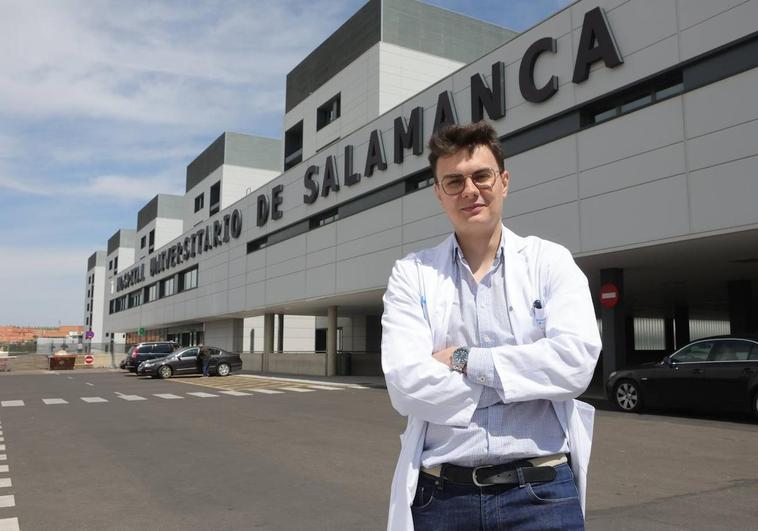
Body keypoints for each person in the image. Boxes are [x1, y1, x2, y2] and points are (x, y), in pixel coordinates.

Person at [381, 121, 602, 530]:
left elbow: (575, 365)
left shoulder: (550, 262)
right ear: (438, 192)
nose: (469, 190)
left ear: (503, 181)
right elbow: (405, 383)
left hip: (541, 494)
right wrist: (522, 380)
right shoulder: (412, 274)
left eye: (481, 176)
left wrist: (465, 360)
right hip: (442, 499)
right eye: (453, 181)